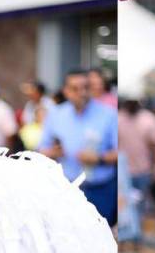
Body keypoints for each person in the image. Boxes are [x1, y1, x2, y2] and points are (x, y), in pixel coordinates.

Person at [39, 69, 119, 225]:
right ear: (66, 91)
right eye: (75, 88)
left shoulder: (109, 115)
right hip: (64, 189)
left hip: (99, 189)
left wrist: (99, 158)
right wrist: (52, 152)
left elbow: (121, 153)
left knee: (99, 240)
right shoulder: (56, 114)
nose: (82, 93)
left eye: (86, 87)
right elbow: (41, 149)